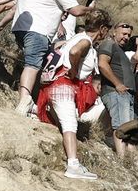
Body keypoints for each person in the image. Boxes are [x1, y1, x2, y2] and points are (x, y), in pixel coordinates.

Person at [9, 0, 93, 114]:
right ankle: (24, 101)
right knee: (32, 65)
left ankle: (32, 101)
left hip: (20, 28)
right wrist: (91, 9)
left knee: (36, 64)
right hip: (38, 30)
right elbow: (75, 10)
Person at [36, 10, 112, 180]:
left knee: (63, 121)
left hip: (59, 86)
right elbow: (73, 52)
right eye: (106, 30)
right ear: (102, 29)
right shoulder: (84, 41)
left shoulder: (79, 37)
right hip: (64, 86)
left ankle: (32, 109)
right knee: (70, 124)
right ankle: (73, 165)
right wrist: (74, 68)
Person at [99, 21, 138, 159]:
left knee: (128, 128)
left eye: (128, 35)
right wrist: (117, 84)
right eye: (123, 34)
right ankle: (122, 160)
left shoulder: (121, 52)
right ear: (114, 32)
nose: (126, 37)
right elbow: (102, 64)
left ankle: (129, 160)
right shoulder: (109, 44)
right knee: (122, 127)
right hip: (116, 92)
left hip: (126, 94)